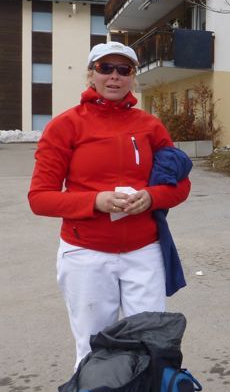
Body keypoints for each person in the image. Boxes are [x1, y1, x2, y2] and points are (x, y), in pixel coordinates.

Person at [28, 41, 191, 368]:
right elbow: (40, 198)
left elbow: (180, 184)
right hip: (86, 255)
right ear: (91, 74)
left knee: (150, 345)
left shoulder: (150, 126)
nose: (114, 76)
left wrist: (152, 197)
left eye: (123, 69)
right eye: (105, 68)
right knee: (94, 349)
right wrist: (96, 201)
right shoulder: (65, 125)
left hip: (144, 253)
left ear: (132, 77)